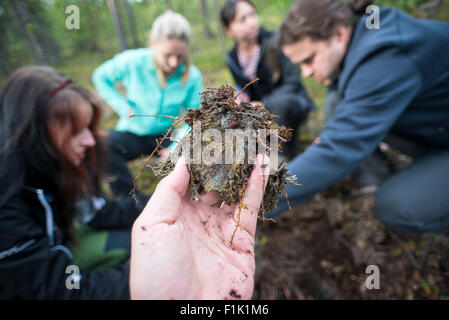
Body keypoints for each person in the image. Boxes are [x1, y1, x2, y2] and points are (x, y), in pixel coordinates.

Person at [0, 66, 267, 299]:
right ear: (34, 134)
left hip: (63, 244)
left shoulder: (56, 167)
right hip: (32, 281)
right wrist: (153, 285)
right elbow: (50, 289)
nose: (90, 140)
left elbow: (97, 212)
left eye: (88, 127)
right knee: (134, 249)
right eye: (74, 131)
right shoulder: (7, 200)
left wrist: (164, 206)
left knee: (135, 241)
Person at [267, 0, 449, 236]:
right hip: (438, 129)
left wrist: (254, 201)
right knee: (336, 102)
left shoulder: (386, 55)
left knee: (397, 207)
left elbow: (339, 148)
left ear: (339, 35)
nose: (307, 73)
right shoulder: (368, 35)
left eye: (309, 59)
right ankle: (384, 179)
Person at [92, 10, 203, 197]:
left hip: (167, 136)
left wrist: (176, 147)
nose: (174, 62)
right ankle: (129, 201)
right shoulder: (133, 61)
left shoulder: (192, 76)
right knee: (102, 145)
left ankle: (185, 199)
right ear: (153, 43)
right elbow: (100, 76)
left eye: (180, 56)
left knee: (202, 146)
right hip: (132, 132)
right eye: (168, 55)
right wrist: (121, 106)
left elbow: (195, 117)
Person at [220, 0, 316, 160]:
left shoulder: (276, 42)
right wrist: (243, 101)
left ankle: (281, 160)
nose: (251, 22)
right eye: (242, 19)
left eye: (252, 15)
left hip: (291, 104)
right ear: (229, 30)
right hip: (262, 110)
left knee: (280, 103)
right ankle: (245, 162)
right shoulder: (232, 58)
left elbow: (293, 83)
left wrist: (264, 103)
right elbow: (246, 90)